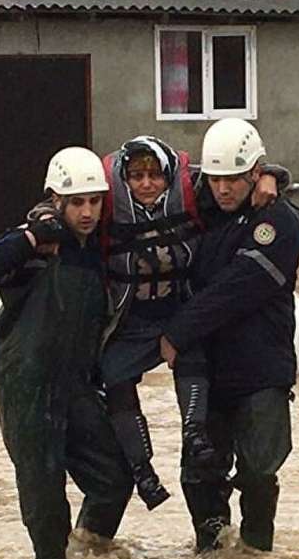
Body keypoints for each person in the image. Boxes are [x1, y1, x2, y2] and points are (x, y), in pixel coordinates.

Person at [0, 147, 134, 559]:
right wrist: (30, 238)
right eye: (76, 203)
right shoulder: (34, 244)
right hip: (28, 385)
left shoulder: (100, 247)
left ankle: (90, 556)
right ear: (56, 200)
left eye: (94, 201)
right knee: (44, 490)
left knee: (114, 476)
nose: (87, 213)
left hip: (75, 385)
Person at [98, 136, 285, 510]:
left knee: (193, 356)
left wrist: (275, 176)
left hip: (178, 313)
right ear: (124, 178)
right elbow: (61, 202)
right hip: (131, 319)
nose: (146, 184)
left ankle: (195, 432)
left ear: (169, 177)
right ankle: (142, 470)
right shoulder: (102, 200)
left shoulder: (192, 192)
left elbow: (235, 174)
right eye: (137, 177)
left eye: (155, 176)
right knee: (114, 376)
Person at [160, 119, 299, 553]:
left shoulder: (278, 223)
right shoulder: (198, 208)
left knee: (259, 470)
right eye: (216, 179)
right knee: (200, 472)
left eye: (234, 180)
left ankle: (257, 555)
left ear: (254, 172)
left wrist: (177, 333)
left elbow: (236, 289)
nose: (223, 189)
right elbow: (138, 184)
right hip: (205, 369)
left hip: (261, 370)